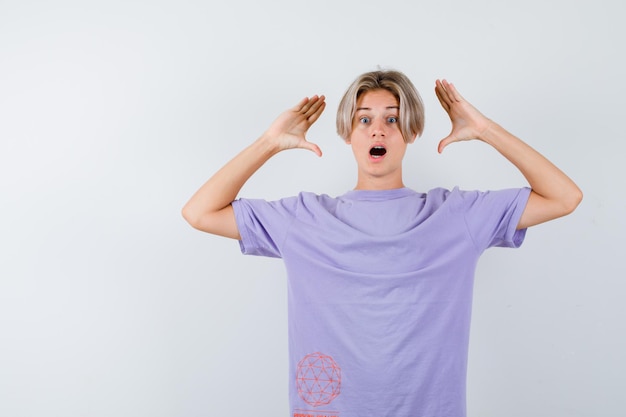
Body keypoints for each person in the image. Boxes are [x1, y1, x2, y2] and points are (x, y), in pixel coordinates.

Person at [182, 70, 582, 417]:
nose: (378, 130)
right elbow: (199, 212)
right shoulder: (304, 220)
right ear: (347, 133)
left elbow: (565, 197)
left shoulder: (455, 216)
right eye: (364, 120)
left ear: (411, 132)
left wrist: (485, 130)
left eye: (392, 119)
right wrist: (268, 143)